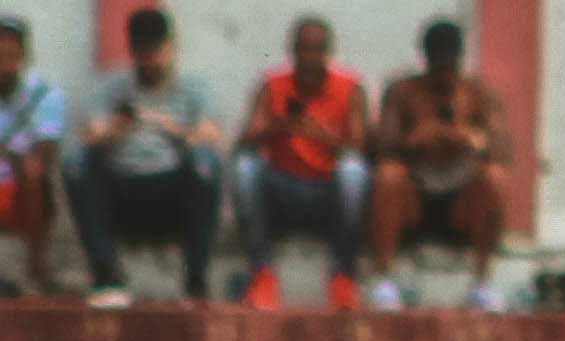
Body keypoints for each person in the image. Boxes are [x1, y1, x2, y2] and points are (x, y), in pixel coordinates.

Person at [60, 6, 220, 307]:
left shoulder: (194, 86)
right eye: (141, 52)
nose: (149, 61)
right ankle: (106, 274)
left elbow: (211, 135)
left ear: (171, 46)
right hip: (121, 184)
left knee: (206, 163)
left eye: (155, 51)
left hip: (171, 186)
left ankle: (195, 277)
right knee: (76, 161)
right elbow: (90, 135)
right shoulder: (111, 85)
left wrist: (167, 125)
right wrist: (120, 126)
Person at [364, 17, 504, 311]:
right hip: (415, 198)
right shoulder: (403, 92)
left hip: (461, 203)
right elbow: (378, 150)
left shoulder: (477, 93)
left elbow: (503, 150)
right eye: (438, 66)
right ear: (425, 59)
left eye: (449, 66)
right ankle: (384, 280)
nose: (444, 76)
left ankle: (482, 282)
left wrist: (470, 138)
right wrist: (413, 140)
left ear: (460, 60)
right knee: (388, 176)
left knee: (494, 178)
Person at [233, 12, 370, 310]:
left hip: (326, 190)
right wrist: (278, 127)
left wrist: (323, 136)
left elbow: (361, 146)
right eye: (303, 49)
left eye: (316, 49)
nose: (309, 57)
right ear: (292, 51)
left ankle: (343, 278)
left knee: (354, 172)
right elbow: (243, 141)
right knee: (245, 169)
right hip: (282, 188)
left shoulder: (349, 87)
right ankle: (262, 275)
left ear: (328, 52)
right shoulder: (273, 85)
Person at [0, 16, 63, 297]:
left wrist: (14, 158)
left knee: (32, 177)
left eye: (10, 56)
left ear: (24, 56)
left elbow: (44, 154)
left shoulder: (45, 96)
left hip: (23, 189)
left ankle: (36, 272)